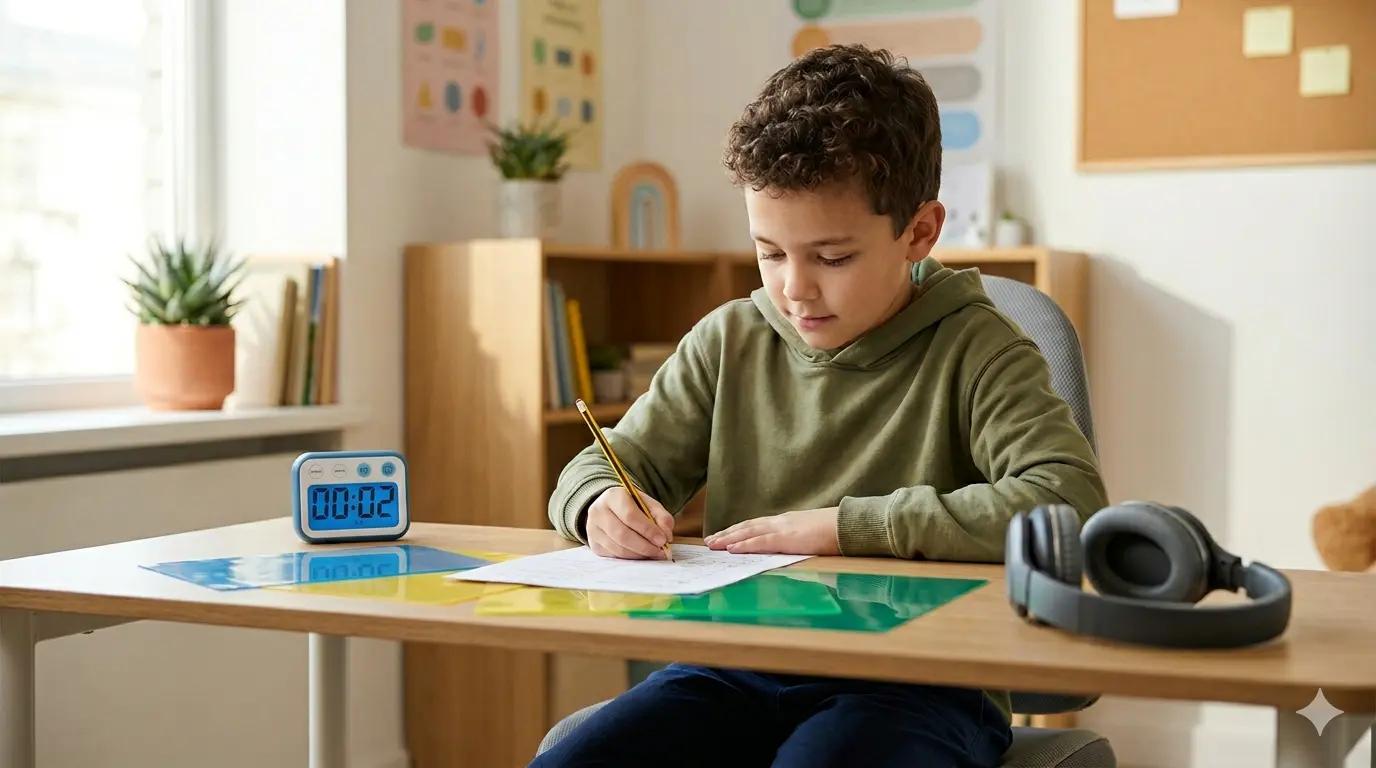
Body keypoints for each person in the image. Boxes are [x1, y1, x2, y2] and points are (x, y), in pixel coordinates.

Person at [535, 44, 1108, 768]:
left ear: (919, 233)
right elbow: (601, 464)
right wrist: (601, 503)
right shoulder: (729, 341)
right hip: (733, 669)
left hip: (920, 685)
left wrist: (845, 528)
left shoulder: (979, 347)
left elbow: (1067, 504)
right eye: (770, 253)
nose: (794, 289)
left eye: (832, 258)